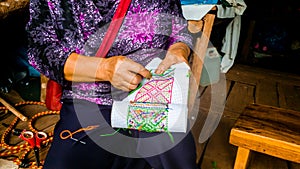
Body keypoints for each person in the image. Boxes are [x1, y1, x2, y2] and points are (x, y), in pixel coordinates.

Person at [26, 0, 198, 168]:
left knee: (180, 159)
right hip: (91, 98)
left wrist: (179, 49)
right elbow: (41, 49)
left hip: (152, 94)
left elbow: (178, 28)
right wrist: (104, 69)